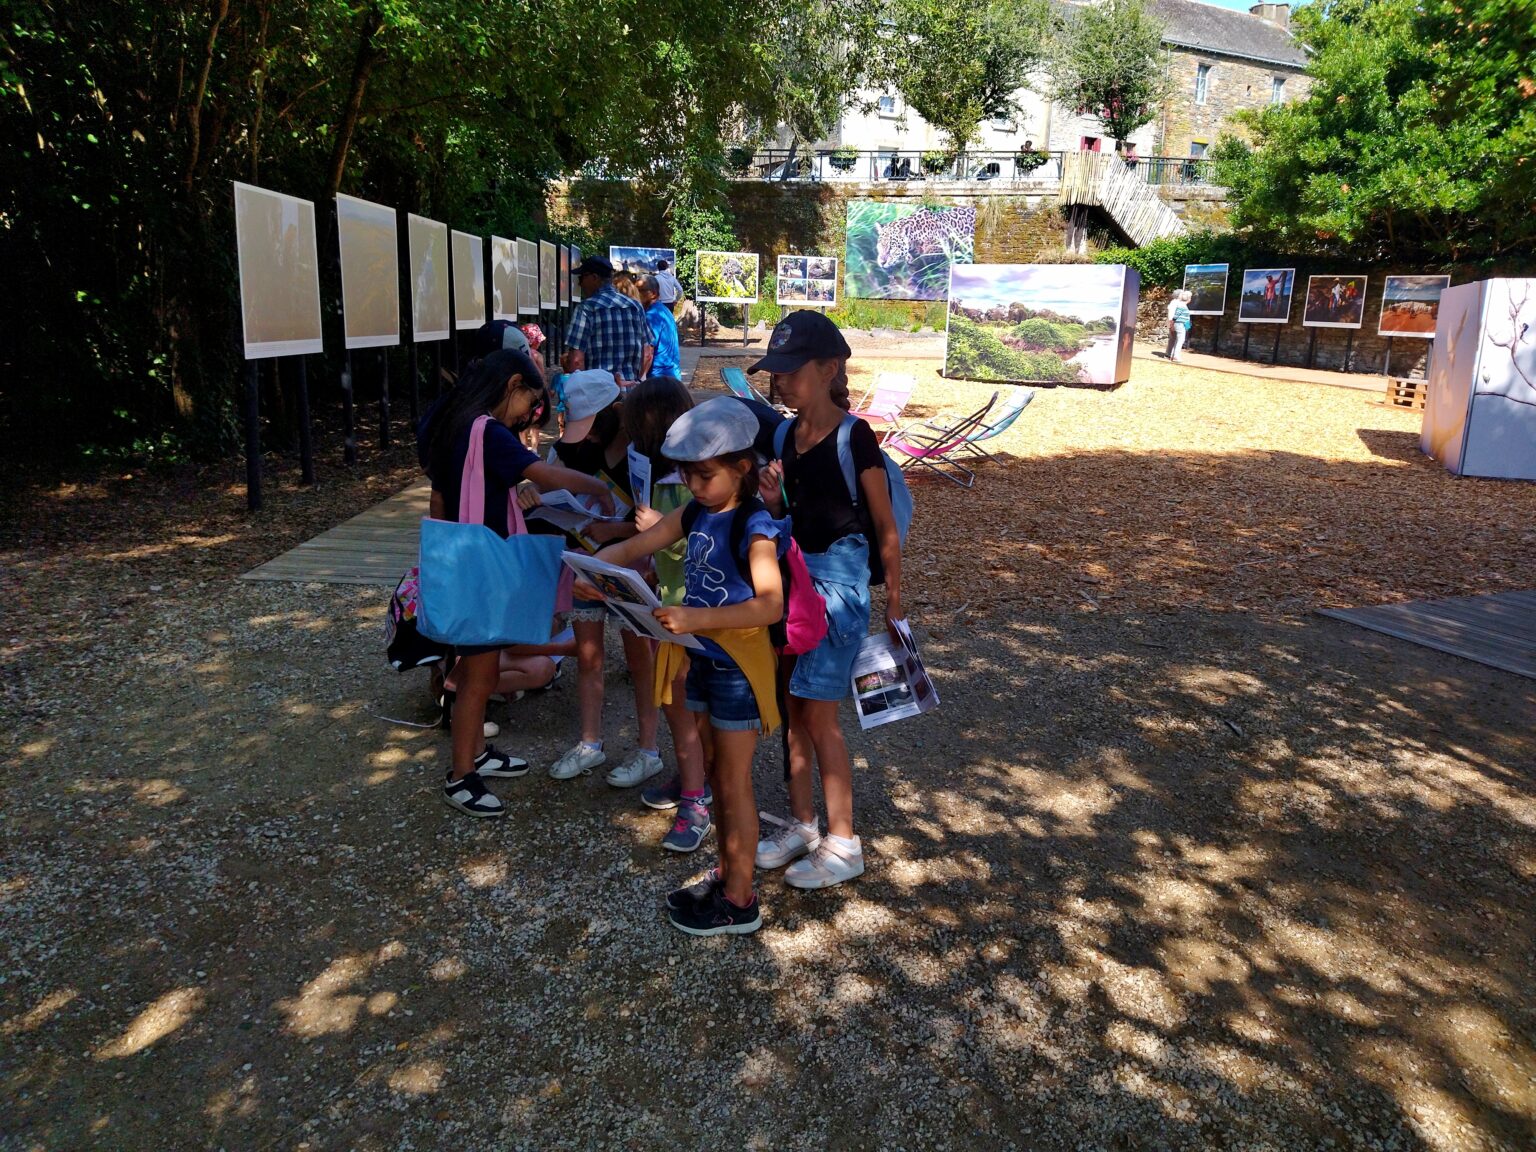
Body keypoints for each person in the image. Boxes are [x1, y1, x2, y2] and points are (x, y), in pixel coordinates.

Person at [586, 397, 786, 935]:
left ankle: (740, 901)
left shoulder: (755, 525)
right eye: (687, 475)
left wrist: (697, 618)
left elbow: (770, 605)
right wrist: (590, 570)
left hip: (737, 668)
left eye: (704, 475)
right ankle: (728, 875)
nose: (693, 486)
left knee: (734, 782)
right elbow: (638, 545)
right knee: (717, 774)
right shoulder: (697, 512)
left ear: (741, 468)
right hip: (700, 660)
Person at [423, 349, 615, 818]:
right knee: (477, 679)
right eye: (529, 401)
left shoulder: (452, 424)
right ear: (513, 384)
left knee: (482, 671)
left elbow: (440, 498)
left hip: (464, 561)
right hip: (483, 570)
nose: (526, 414)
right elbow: (542, 473)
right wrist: (598, 487)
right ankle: (461, 775)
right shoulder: (487, 431)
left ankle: (477, 753)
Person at [753, 312, 904, 889]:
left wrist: (894, 599)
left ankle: (844, 844)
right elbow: (791, 516)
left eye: (792, 371)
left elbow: (883, 524)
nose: (782, 382)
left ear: (829, 369)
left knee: (819, 715)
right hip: (793, 583)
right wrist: (774, 502)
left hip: (837, 591)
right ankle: (803, 824)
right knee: (794, 708)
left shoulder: (854, 435)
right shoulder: (782, 437)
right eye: (777, 372)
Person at [539, 369, 663, 786]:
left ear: (616, 410)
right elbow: (547, 483)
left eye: (593, 426)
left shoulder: (647, 449)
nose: (588, 437)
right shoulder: (577, 448)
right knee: (589, 655)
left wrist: (618, 531)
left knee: (639, 657)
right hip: (584, 565)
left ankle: (648, 749)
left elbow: (663, 522)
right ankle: (589, 742)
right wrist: (530, 492)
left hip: (632, 568)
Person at [622, 378, 715, 850]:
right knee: (684, 709)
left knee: (682, 711)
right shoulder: (664, 478)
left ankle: (696, 801)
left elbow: (705, 547)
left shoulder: (687, 486)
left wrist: (662, 532)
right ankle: (694, 779)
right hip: (673, 608)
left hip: (690, 615)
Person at [564, 255, 653, 386]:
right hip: (630, 390)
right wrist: (635, 381)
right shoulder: (635, 306)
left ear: (594, 278)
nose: (579, 283)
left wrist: (581, 389)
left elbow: (577, 361)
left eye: (581, 277)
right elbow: (647, 353)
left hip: (598, 392)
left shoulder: (586, 308)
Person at [638, 274, 682, 380]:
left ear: (653, 294)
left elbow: (648, 353)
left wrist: (640, 378)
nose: (637, 294)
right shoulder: (663, 310)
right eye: (636, 290)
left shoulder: (652, 315)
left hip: (658, 378)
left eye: (641, 290)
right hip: (671, 375)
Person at [1170, 289, 1192, 362]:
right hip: (1180, 324)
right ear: (1188, 299)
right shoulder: (1182, 305)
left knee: (1178, 340)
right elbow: (1176, 315)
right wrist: (1172, 323)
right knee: (1180, 340)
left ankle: (1172, 355)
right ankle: (1176, 356)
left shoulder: (1182, 305)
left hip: (1180, 324)